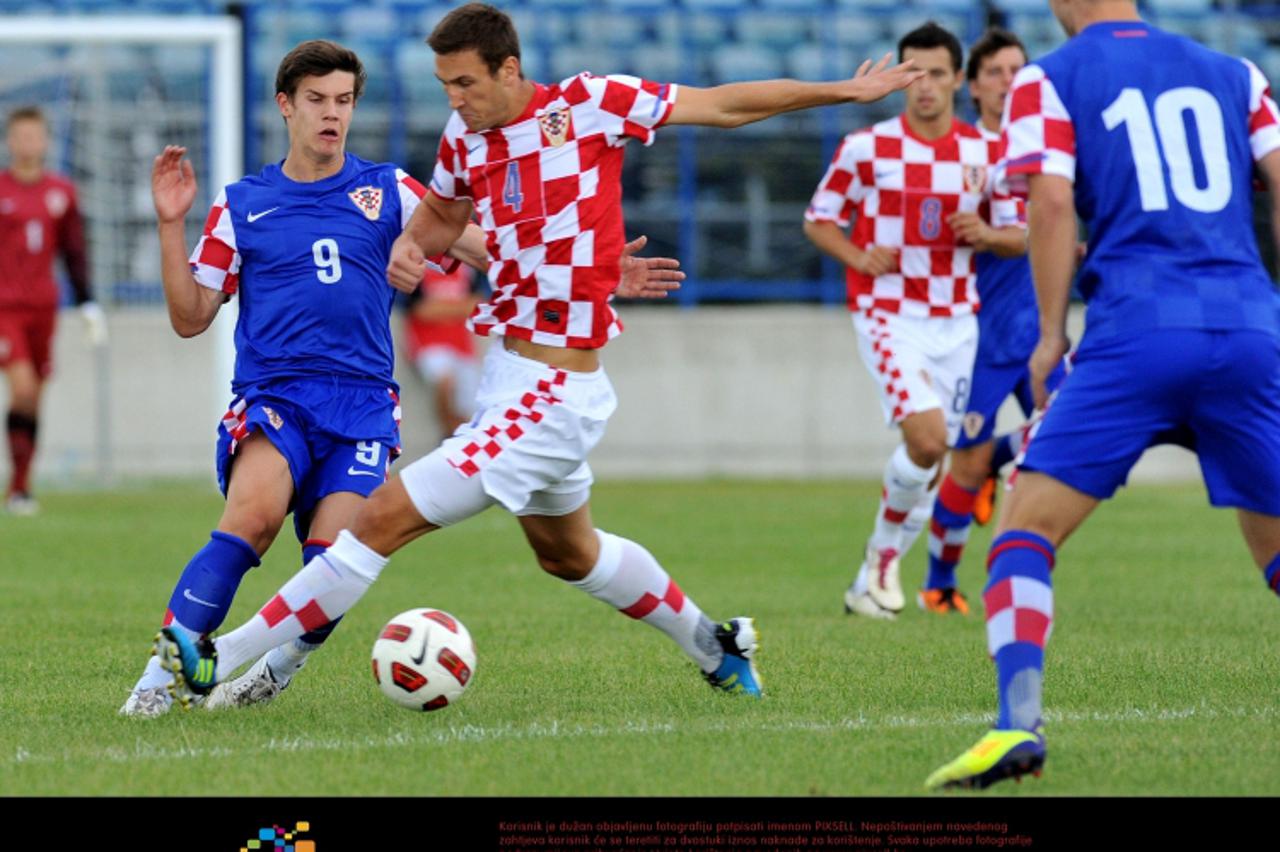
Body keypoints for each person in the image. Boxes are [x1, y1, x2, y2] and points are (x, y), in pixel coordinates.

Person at [152, 1, 923, 707]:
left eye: (465, 83)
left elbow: (721, 106)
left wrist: (838, 93)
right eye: (443, 84)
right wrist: (411, 255)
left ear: (509, 70)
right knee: (570, 554)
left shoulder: (590, 103)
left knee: (378, 520)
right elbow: (441, 221)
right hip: (509, 377)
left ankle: (221, 651)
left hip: (554, 390)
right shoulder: (464, 140)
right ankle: (716, 648)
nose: (454, 99)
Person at [121, 39, 685, 717]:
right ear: (285, 106)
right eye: (316, 101)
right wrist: (168, 224)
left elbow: (490, 249)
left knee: (336, 558)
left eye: (344, 101)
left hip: (361, 407)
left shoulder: (386, 188)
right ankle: (155, 689)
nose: (332, 115)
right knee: (252, 520)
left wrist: (592, 272)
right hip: (277, 396)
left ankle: (276, 666)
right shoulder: (242, 204)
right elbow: (190, 318)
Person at [926, 0, 1280, 789]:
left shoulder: (1050, 78)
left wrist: (1050, 337)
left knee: (1022, 533)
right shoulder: (1236, 72)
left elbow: (1049, 203)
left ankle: (1016, 727)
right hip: (1250, 328)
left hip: (1138, 334)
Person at [803, 22, 1027, 621]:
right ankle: (883, 558)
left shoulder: (988, 154)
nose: (922, 85)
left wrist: (987, 236)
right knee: (927, 441)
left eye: (934, 72)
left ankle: (868, 582)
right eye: (910, 72)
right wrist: (857, 255)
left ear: (958, 79)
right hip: (888, 313)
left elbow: (1018, 235)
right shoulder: (867, 148)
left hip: (958, 320)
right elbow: (820, 219)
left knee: (931, 463)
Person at [919, 28, 1067, 616]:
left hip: (1039, 327)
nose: (1009, 81)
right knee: (966, 462)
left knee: (1070, 418)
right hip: (979, 334)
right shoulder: (959, 153)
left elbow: (1055, 224)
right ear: (972, 85)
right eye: (997, 72)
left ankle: (995, 470)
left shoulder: (1047, 147)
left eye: (1017, 70)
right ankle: (939, 583)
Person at [0, 105, 106, 515]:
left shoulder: (61, 192)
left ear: (45, 141)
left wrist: (87, 302)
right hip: (5, 308)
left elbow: (73, 250)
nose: (28, 144)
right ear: (10, 141)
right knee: (22, 387)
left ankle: (20, 487)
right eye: (20, 136)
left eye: (34, 136)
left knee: (34, 399)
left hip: (45, 308)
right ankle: (18, 488)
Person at [404, 262, 484, 435]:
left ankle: (457, 441)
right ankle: (449, 437)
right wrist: (459, 308)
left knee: (470, 408)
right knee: (445, 382)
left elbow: (479, 305)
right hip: (428, 343)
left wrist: (439, 308)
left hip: (463, 345)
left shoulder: (467, 267)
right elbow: (420, 310)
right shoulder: (418, 265)